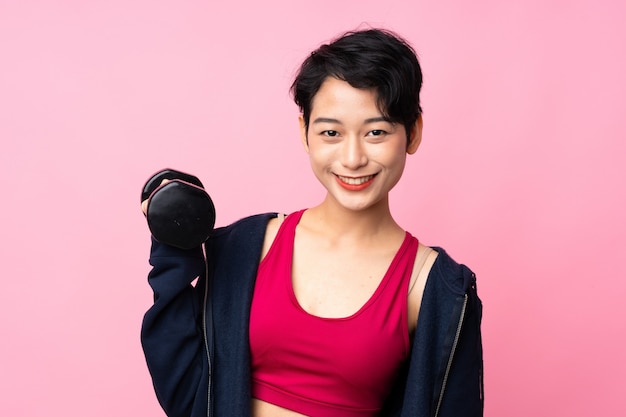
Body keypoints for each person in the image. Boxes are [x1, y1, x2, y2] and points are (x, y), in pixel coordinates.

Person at [141, 28, 484, 417]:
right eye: (331, 133)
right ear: (304, 132)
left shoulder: (436, 287)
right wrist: (174, 245)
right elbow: (185, 387)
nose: (352, 158)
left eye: (376, 132)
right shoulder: (246, 247)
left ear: (413, 132)